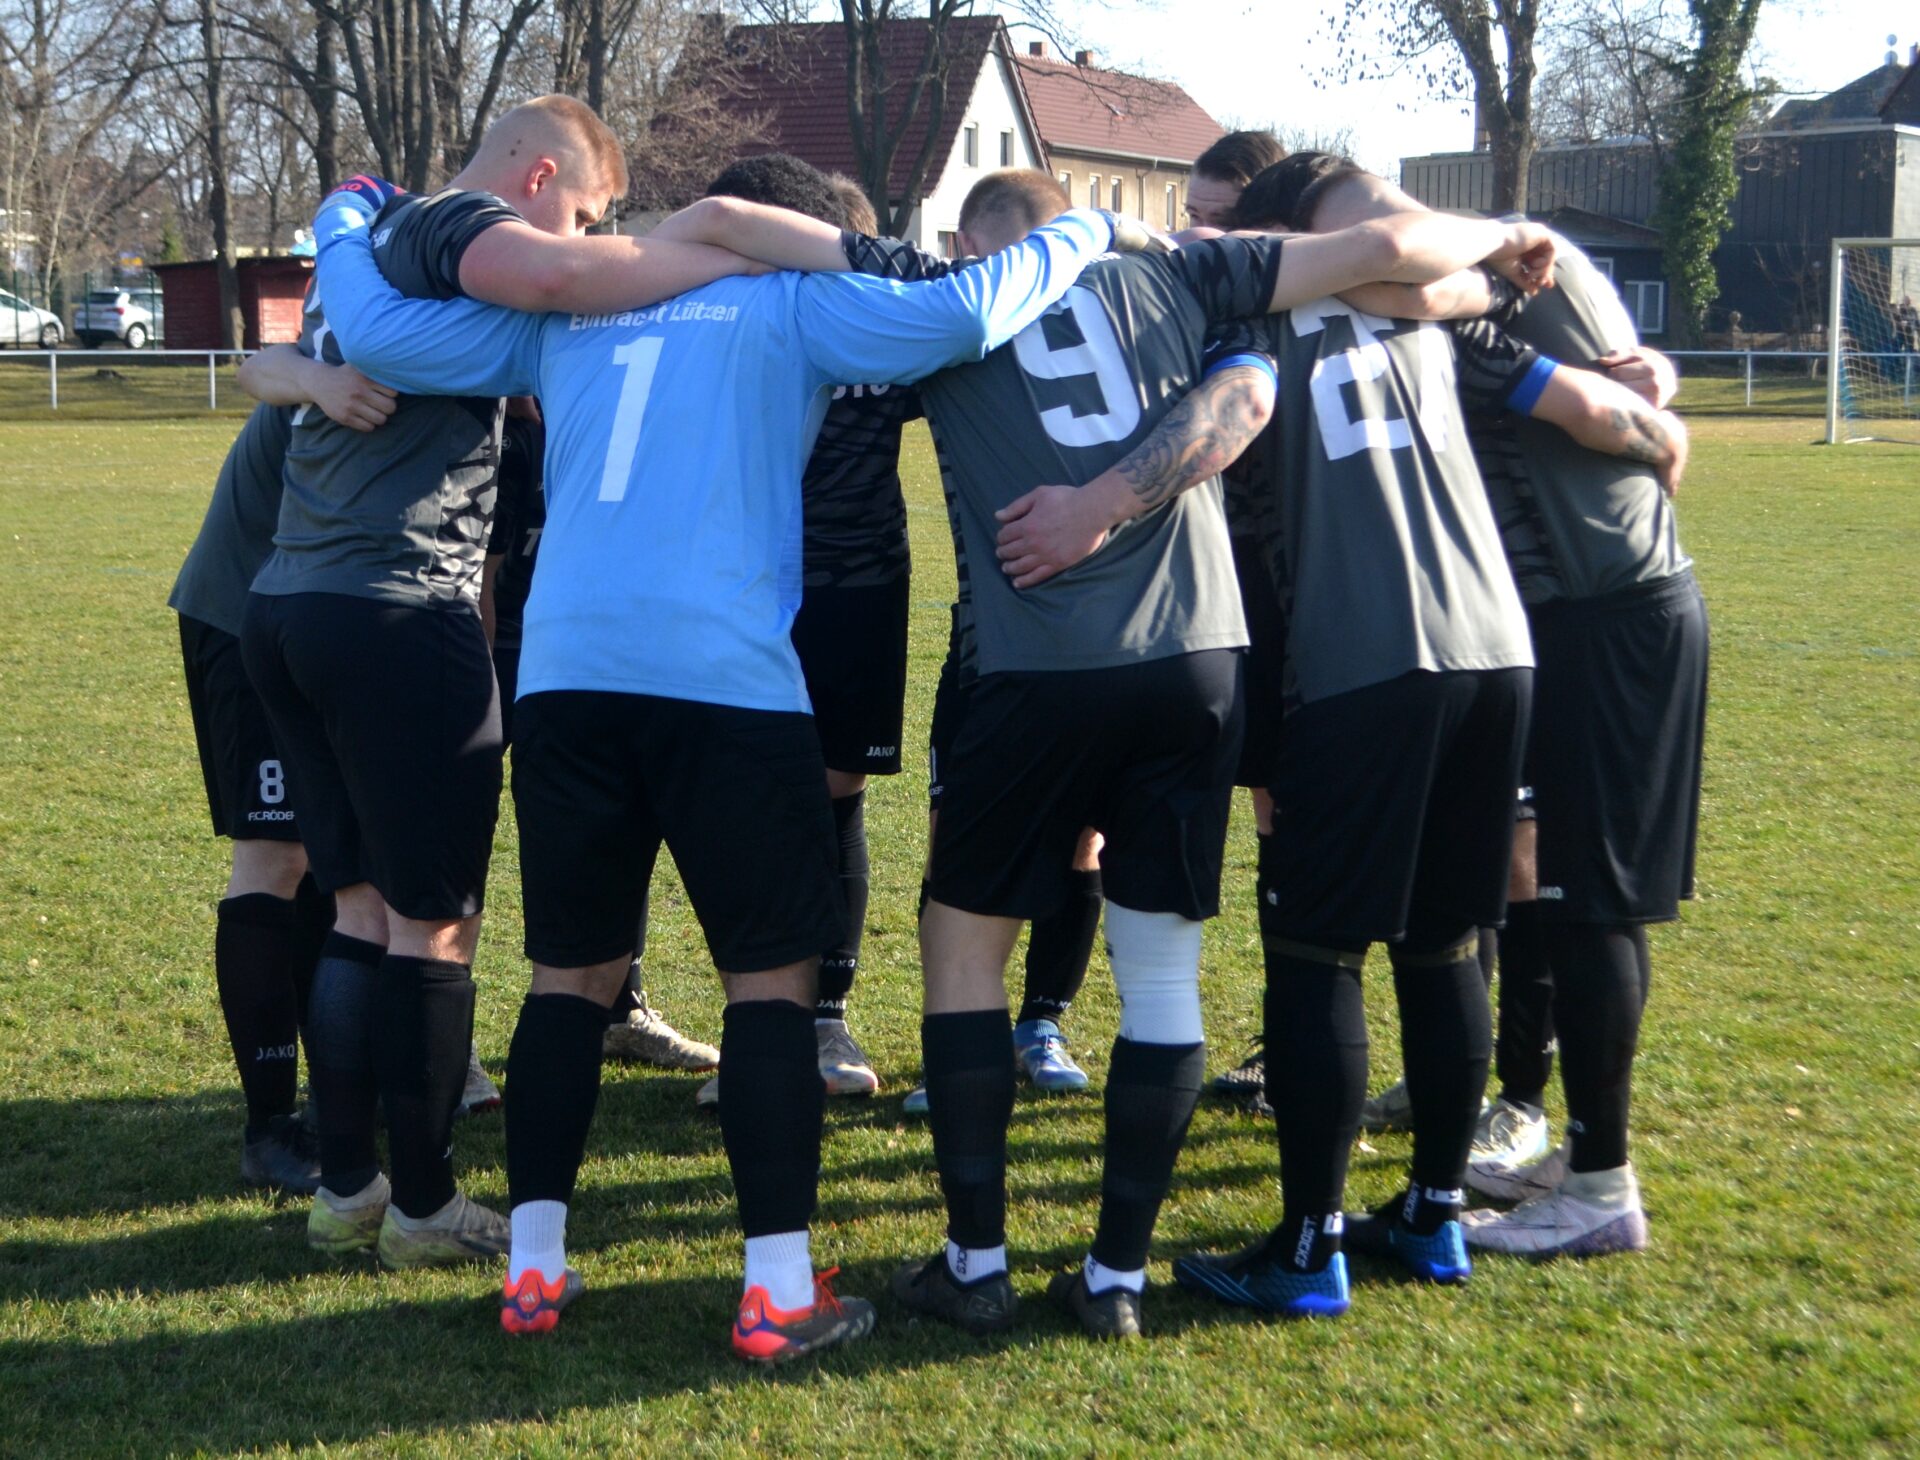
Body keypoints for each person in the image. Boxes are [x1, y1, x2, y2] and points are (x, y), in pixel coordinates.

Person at [312, 165, 1144, 1357]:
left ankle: (535, 1272)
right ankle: (776, 1289)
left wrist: (342, 218)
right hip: (724, 675)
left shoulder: (577, 306)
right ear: (798, 232)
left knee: (567, 977)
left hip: (566, 673)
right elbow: (968, 311)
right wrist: (1089, 226)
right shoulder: (797, 303)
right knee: (771, 984)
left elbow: (384, 331)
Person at [850, 169, 1560, 1340]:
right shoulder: (1311, 290)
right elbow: (1336, 337)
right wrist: (1507, 247)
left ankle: (1013, 1259)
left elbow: (772, 240)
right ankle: (1147, 1270)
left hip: (1145, 661)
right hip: (1309, 655)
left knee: (1007, 942)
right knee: (1408, 945)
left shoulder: (954, 294)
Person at [1158, 158, 1685, 1319]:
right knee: (1448, 941)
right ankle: (1437, 1212)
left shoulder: (1249, 305)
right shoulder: (1442, 307)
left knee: (1315, 954)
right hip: (1502, 655)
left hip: (1365, 659)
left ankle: (1307, 1245)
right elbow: (1466, 293)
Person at [241, 98, 761, 1273]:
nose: (581, 238)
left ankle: (348, 1188)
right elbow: (554, 282)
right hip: (394, 607)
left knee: (363, 908)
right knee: (434, 923)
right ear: (537, 180)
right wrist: (724, 249)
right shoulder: (460, 225)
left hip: (293, 601)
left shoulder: (367, 244)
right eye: (581, 213)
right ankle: (424, 1209)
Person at [170, 350, 395, 1194]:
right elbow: (263, 366)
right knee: (276, 858)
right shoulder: (390, 329)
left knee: (326, 852)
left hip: (318, 614)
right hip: (248, 612)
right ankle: (269, 1127)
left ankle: (330, 1092)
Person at [485, 401, 719, 1074]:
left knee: (620, 811)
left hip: (584, 642)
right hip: (495, 637)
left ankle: (621, 1007)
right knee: (461, 820)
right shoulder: (512, 434)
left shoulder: (630, 417)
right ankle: (450, 1037)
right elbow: (481, 577)